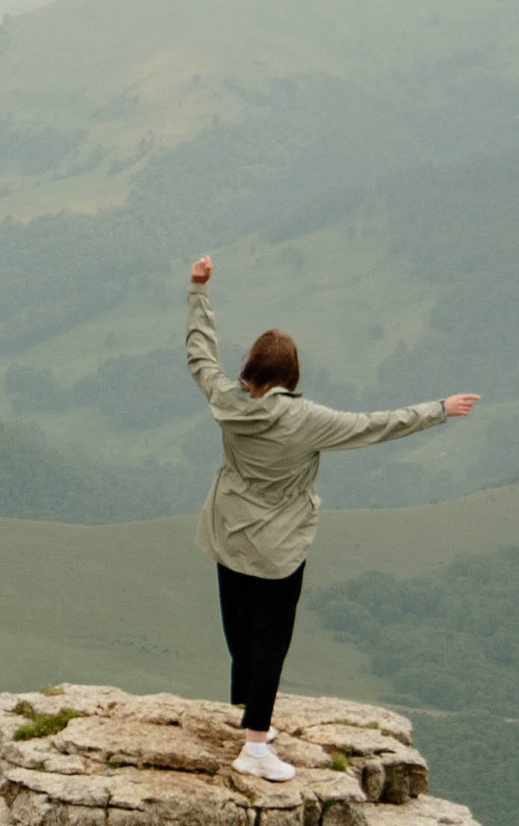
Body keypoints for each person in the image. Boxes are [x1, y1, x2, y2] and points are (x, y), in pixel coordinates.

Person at [185, 254, 478, 782]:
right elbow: (376, 425)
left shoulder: (226, 402)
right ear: (291, 375)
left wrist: (199, 291)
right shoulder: (307, 418)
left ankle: (245, 718)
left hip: (229, 536)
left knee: (241, 636)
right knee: (271, 641)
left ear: (251, 369)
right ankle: (254, 747)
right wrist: (440, 408)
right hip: (278, 548)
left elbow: (200, 356)